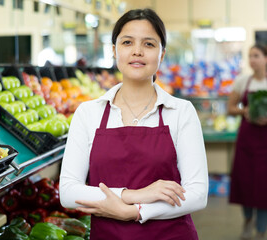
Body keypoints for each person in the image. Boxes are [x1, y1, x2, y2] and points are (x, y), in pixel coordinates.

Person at [60, 8, 208, 240]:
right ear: (114, 51)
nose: (137, 51)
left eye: (149, 44)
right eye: (127, 42)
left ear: (162, 54)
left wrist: (134, 212)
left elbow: (197, 193)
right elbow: (68, 192)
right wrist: (135, 195)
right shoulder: (88, 113)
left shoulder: (181, 112)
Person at [227, 43, 267, 240]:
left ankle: (261, 231)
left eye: (256, 56)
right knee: (245, 182)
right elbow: (230, 108)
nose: (252, 60)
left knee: (266, 185)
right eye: (250, 56)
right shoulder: (242, 82)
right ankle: (247, 221)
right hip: (247, 139)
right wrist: (243, 111)